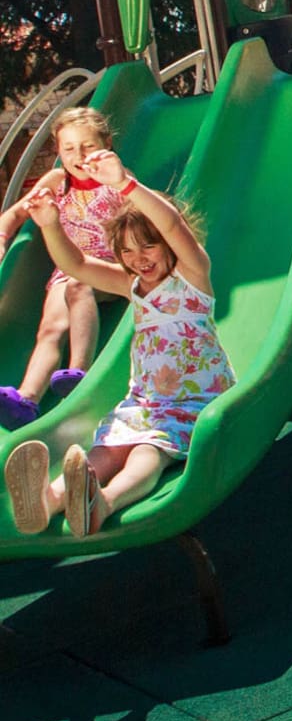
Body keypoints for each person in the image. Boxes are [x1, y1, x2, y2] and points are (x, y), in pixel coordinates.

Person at [3, 151, 235, 537]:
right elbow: (77, 266)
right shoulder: (132, 287)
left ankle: (104, 503)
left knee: (148, 452)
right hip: (144, 402)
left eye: (148, 247)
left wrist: (125, 185)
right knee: (104, 449)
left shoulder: (193, 277)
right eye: (127, 251)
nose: (138, 259)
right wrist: (49, 225)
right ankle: (49, 500)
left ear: (166, 246)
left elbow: (175, 225)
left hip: (192, 402)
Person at [0, 107, 128, 430]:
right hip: (66, 268)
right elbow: (16, 214)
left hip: (109, 268)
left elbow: (143, 214)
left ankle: (78, 373)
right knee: (50, 329)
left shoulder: (115, 179)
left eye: (87, 146)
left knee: (78, 286)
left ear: (107, 144)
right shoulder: (58, 181)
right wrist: (2, 237)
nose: (79, 155)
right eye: (69, 148)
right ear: (58, 151)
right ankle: (27, 399)